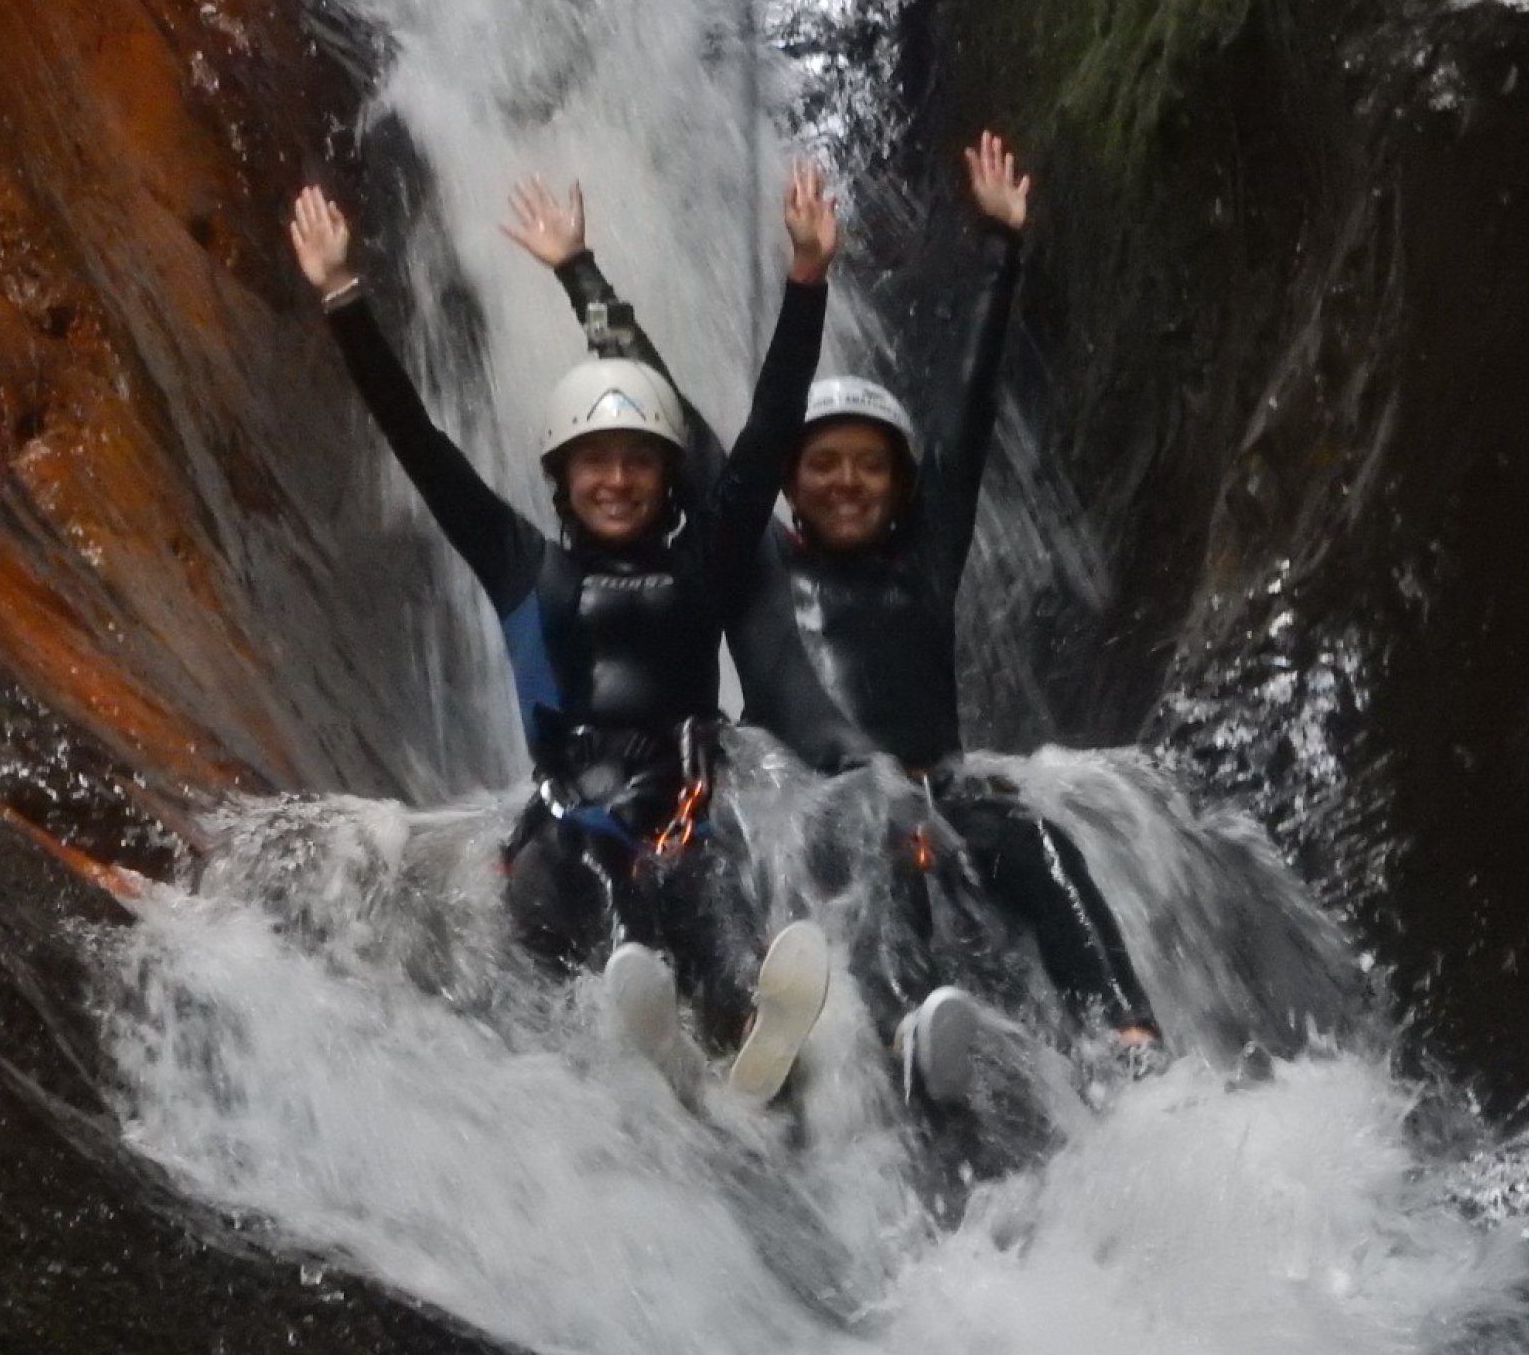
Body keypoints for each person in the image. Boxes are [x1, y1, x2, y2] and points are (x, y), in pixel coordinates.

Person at [503, 134, 1161, 1116]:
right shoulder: (752, 558)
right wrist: (577, 273)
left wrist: (1003, 252)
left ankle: (1126, 1039)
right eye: (823, 464)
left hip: (930, 795)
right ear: (790, 482)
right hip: (797, 808)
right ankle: (764, 1036)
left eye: (870, 465)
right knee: (785, 836)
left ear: (900, 486)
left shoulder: (925, 556)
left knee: (1035, 843)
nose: (846, 480)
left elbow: (971, 408)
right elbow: (673, 416)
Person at [288, 166, 838, 1103]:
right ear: (562, 476)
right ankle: (649, 1011)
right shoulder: (521, 565)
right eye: (594, 462)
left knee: (709, 876)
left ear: (667, 478)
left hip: (683, 806)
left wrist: (807, 278)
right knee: (605, 854)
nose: (616, 479)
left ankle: (742, 1019)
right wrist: (344, 298)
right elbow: (419, 441)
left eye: (637, 461)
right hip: (565, 836)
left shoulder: (703, 559)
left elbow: (768, 429)